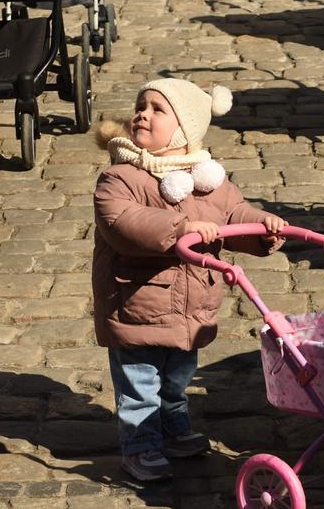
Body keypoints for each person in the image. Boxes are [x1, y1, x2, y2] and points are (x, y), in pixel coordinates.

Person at [91, 78, 288, 482]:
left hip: (192, 306)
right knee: (140, 384)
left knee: (177, 378)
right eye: (140, 105)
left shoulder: (208, 179)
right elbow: (123, 222)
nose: (142, 114)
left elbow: (235, 214)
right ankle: (140, 446)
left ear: (184, 130)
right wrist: (180, 227)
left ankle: (174, 430)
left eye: (156, 109)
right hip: (136, 304)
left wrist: (262, 226)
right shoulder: (121, 177)